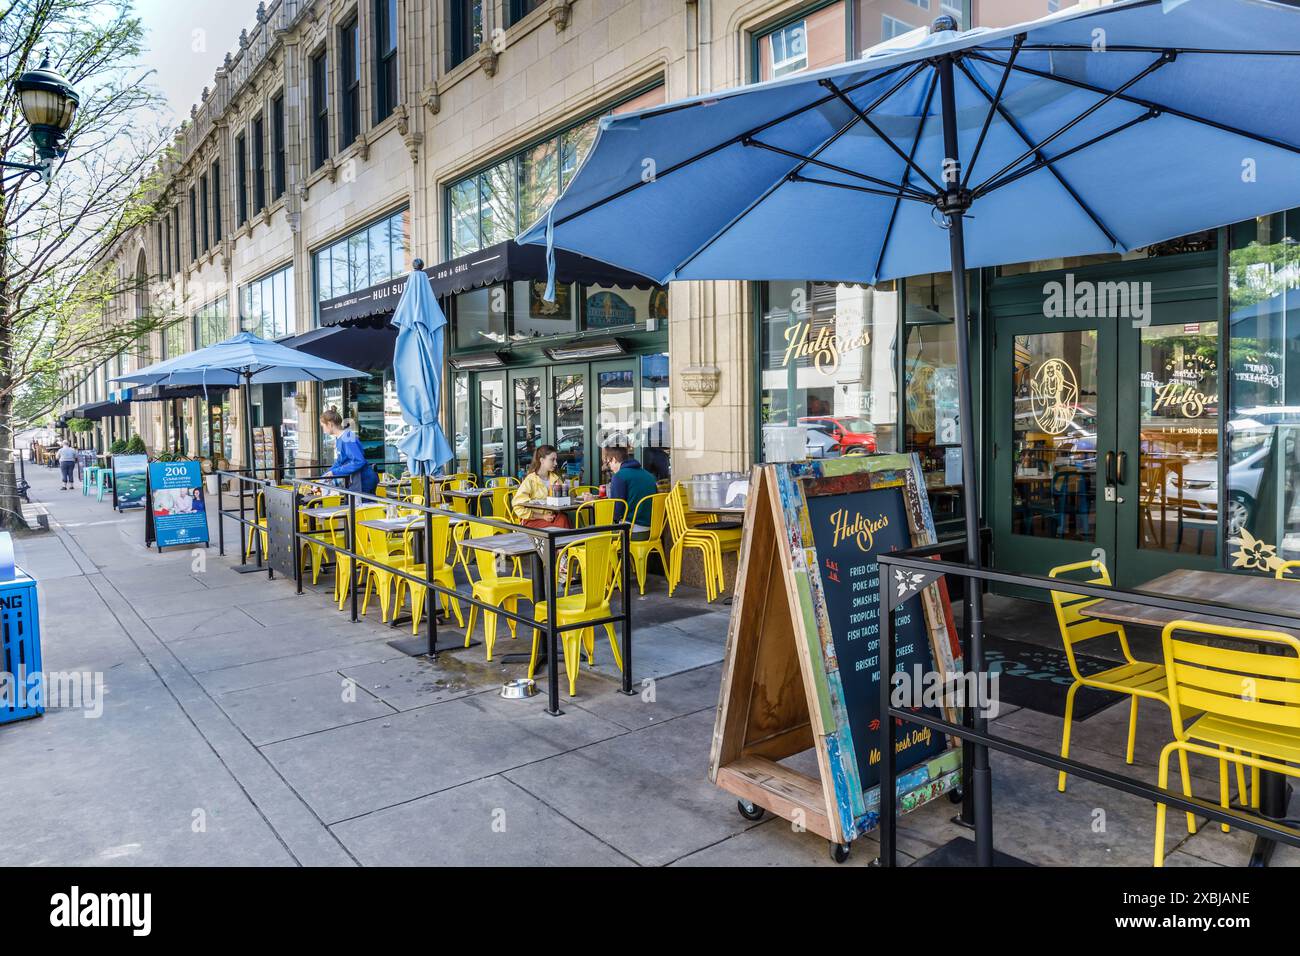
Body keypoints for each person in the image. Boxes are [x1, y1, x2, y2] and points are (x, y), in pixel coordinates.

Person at [600, 446, 658, 535]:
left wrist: (593, 504)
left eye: (608, 463)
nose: (610, 468)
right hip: (653, 530)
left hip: (631, 530)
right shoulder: (649, 476)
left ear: (614, 460)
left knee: (595, 530)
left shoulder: (619, 476)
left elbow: (616, 512)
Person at [319, 408, 378, 494]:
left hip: (364, 480)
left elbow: (359, 461)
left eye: (323, 426)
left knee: (364, 506)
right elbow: (339, 462)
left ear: (330, 424)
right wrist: (325, 475)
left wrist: (334, 472)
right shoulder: (341, 438)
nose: (323, 430)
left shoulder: (347, 437)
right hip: (358, 479)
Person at [512, 445, 571, 529]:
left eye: (556, 460)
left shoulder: (556, 479)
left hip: (552, 518)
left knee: (563, 518)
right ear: (542, 460)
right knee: (561, 524)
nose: (556, 463)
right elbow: (517, 506)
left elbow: (565, 499)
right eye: (552, 460)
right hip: (533, 520)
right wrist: (542, 516)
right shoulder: (530, 480)